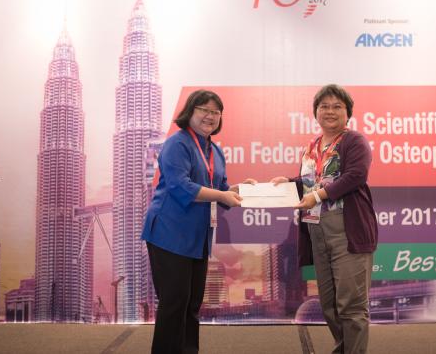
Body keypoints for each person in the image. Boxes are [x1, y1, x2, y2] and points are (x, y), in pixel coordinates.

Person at [141, 89, 253, 354]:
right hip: (169, 233)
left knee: (192, 304)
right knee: (174, 303)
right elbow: (181, 186)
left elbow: (220, 188)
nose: (210, 116)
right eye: (204, 110)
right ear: (190, 111)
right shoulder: (177, 144)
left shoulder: (215, 150)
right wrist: (222, 194)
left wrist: (238, 189)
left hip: (198, 238)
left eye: (216, 112)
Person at [271, 84, 378, 354]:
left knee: (351, 305)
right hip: (316, 229)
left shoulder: (354, 141)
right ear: (316, 112)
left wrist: (317, 196)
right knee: (329, 305)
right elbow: (312, 181)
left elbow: (355, 176)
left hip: (346, 229)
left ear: (348, 112)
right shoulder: (312, 147)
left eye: (337, 106)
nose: (330, 111)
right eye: (324, 106)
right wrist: (289, 183)